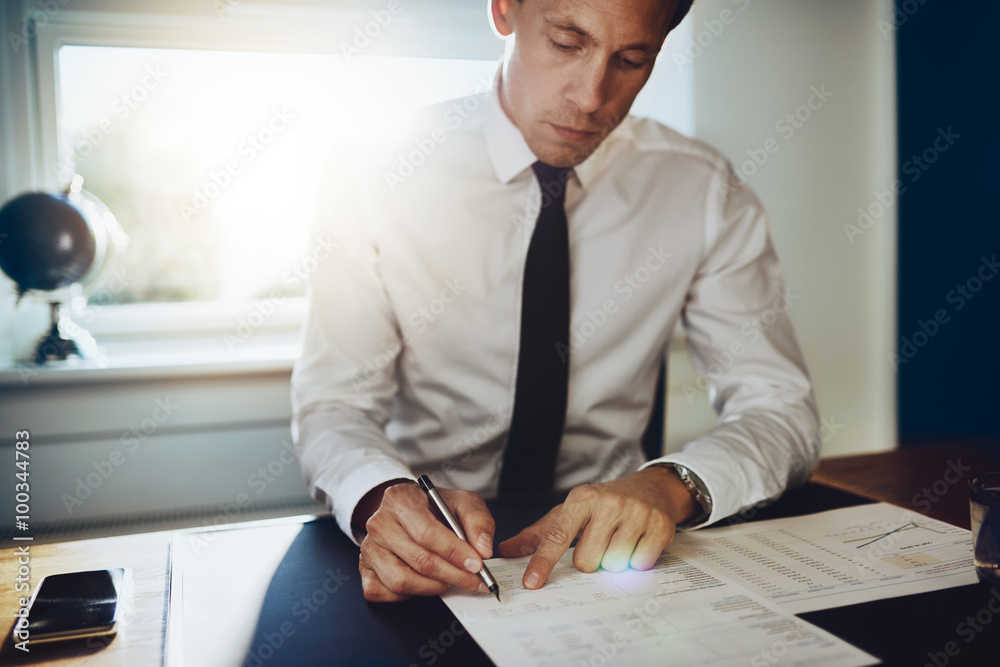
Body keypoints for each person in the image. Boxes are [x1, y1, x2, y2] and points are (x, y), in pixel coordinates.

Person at [291, 0, 821, 603]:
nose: (593, 97)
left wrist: (668, 487)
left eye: (632, 59)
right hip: (433, 542)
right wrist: (379, 495)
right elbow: (334, 404)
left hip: (608, 559)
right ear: (504, 10)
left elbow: (780, 409)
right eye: (568, 42)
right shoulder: (373, 172)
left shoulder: (701, 190)